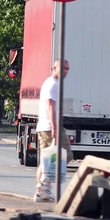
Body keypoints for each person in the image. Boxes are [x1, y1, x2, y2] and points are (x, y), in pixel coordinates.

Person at [34, 59, 72, 203]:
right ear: (54, 68)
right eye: (63, 68)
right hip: (50, 127)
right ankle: (44, 186)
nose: (65, 71)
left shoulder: (53, 84)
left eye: (67, 69)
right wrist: (55, 128)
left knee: (47, 159)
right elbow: (50, 107)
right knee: (66, 155)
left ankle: (41, 191)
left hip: (47, 126)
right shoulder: (52, 84)